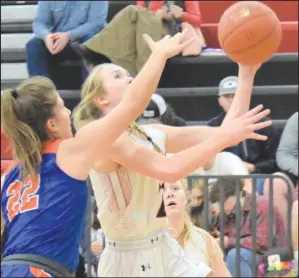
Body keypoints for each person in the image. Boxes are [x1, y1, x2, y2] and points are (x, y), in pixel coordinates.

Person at [73, 40, 273, 276]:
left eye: (129, 74)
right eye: (118, 76)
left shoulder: (150, 133)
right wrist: (159, 56)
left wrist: (246, 70)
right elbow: (170, 169)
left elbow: (227, 133)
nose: (129, 78)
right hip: (129, 258)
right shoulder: (104, 139)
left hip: (162, 243)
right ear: (101, 99)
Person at [1, 32, 191, 277]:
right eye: (61, 106)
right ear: (51, 124)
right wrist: (159, 56)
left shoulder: (13, 173)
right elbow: (131, 105)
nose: (68, 110)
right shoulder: (68, 152)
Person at [72, 1, 206, 76]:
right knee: (131, 11)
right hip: (147, 26)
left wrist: (180, 14)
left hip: (172, 29)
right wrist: (154, 15)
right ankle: (94, 49)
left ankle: (95, 51)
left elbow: (198, 20)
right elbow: (140, 12)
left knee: (140, 17)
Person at [208, 76, 280, 195]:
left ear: (245, 97)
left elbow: (275, 161)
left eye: (235, 95)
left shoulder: (263, 124)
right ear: (220, 101)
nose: (232, 100)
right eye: (227, 96)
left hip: (255, 176)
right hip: (223, 176)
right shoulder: (213, 125)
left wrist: (253, 167)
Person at [209, 178, 286, 277]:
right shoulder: (228, 212)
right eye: (219, 203)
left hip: (276, 264)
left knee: (235, 255)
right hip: (251, 260)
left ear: (239, 194)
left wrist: (228, 241)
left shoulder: (262, 206)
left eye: (224, 202)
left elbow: (261, 243)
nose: (222, 207)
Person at [26, 1, 108, 81]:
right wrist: (46, 36)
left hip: (82, 39)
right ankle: (40, 90)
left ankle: (90, 89)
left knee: (92, 41)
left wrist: (69, 36)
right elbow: (40, 22)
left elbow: (97, 23)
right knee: (33, 45)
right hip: (56, 41)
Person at [164, 180, 232, 277]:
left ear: (186, 198)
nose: (170, 194)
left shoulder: (205, 239)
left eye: (175, 188)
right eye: (162, 190)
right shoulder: (147, 244)